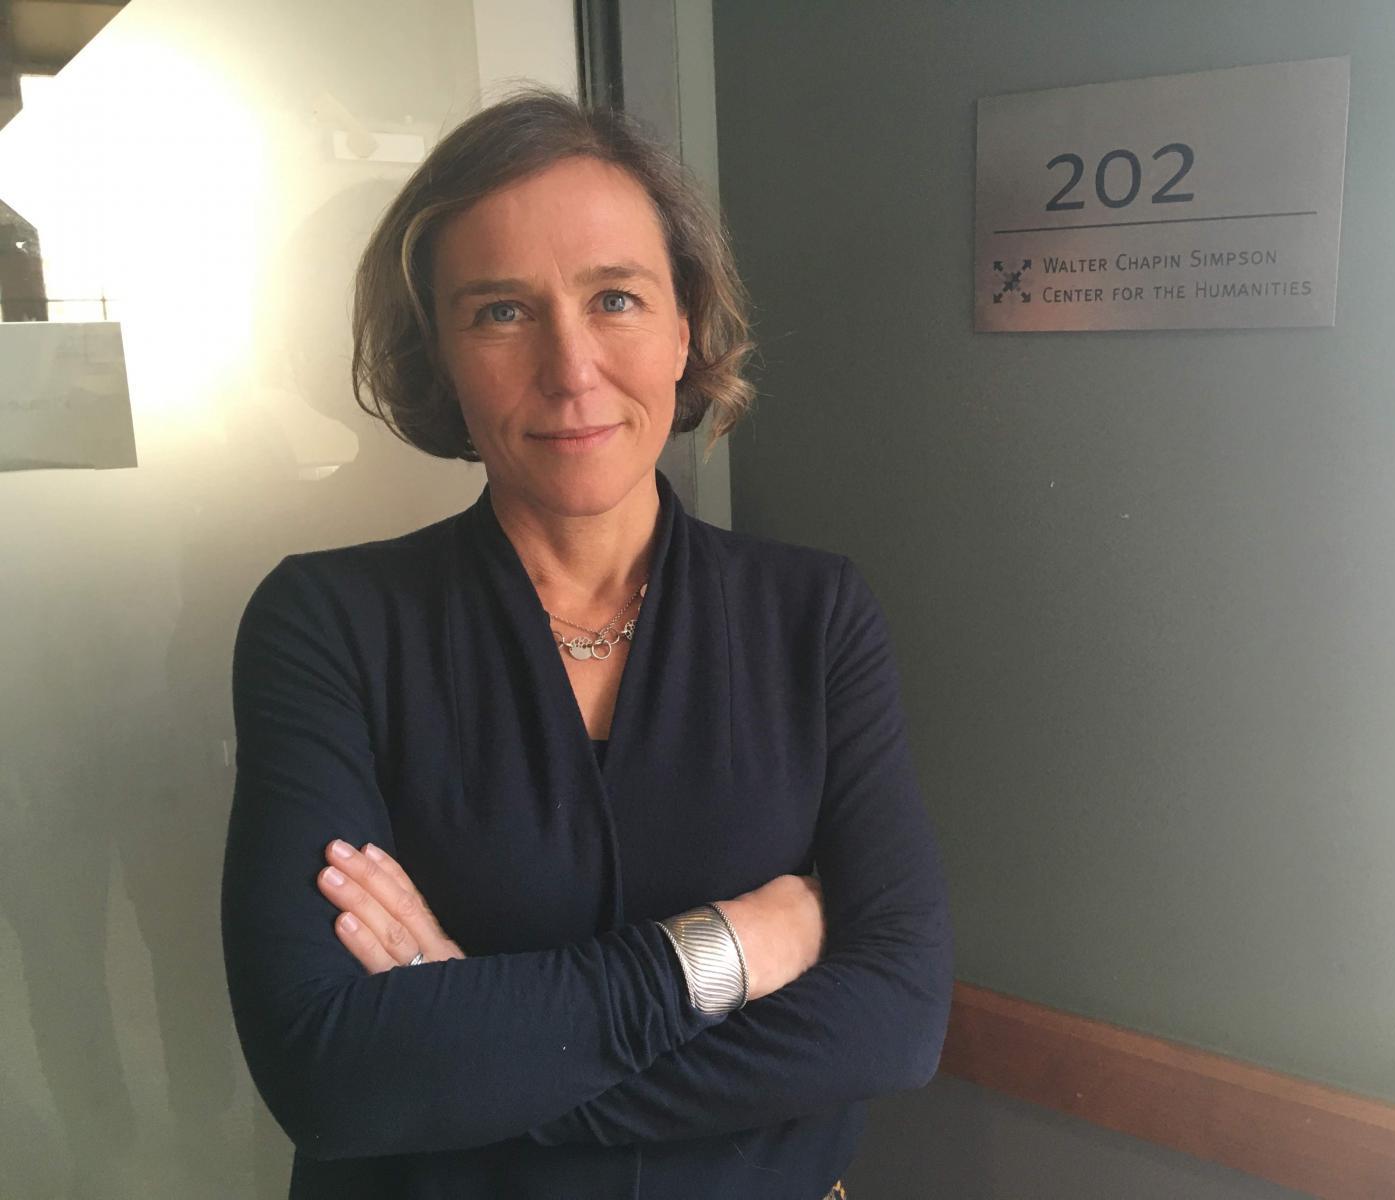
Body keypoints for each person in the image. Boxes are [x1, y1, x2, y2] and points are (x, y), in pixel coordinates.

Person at [220, 87, 953, 1199]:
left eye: (614, 297)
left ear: (684, 328)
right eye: (500, 313)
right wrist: (735, 948)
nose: (570, 370)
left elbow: (894, 1021)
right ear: (440, 354)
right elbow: (333, 1074)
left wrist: (485, 1058)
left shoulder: (814, 618)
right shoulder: (329, 625)